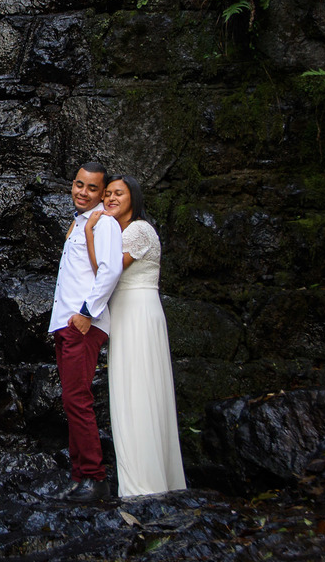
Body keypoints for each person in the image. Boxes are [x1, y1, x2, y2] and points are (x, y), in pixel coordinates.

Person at [85, 175, 186, 497]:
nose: (111, 198)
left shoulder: (139, 230)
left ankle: (145, 483)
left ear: (135, 199)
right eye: (108, 193)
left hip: (139, 312)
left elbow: (106, 272)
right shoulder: (122, 232)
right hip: (128, 313)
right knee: (133, 388)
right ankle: (152, 476)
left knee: (139, 389)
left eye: (119, 193)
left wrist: (89, 232)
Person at [48, 162, 123, 502]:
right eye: (79, 184)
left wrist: (86, 314)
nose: (82, 192)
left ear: (101, 192)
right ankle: (80, 477)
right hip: (66, 324)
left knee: (78, 400)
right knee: (71, 401)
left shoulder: (104, 223)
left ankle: (95, 478)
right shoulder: (80, 223)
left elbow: (110, 271)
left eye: (92, 188)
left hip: (82, 324)